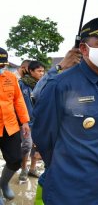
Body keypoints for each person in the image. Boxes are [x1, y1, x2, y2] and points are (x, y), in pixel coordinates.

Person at [32, 16, 98, 205]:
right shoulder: (60, 84)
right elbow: (43, 135)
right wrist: (65, 165)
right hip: (72, 188)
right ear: (84, 48)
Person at [32, 48, 81, 205]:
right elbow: (38, 94)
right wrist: (60, 66)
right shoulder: (57, 81)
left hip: (81, 152)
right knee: (50, 179)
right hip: (58, 149)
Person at [0, 47, 30, 204]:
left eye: (2, 65)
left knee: (16, 159)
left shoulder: (10, 77)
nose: (1, 68)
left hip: (9, 125)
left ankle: (3, 183)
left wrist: (24, 121)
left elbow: (18, 100)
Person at [18, 61, 45, 182]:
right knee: (27, 145)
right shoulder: (21, 84)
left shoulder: (43, 85)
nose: (42, 73)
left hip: (39, 121)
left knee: (37, 146)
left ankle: (32, 169)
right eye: (39, 71)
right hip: (26, 122)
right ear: (31, 71)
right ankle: (23, 168)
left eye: (43, 71)